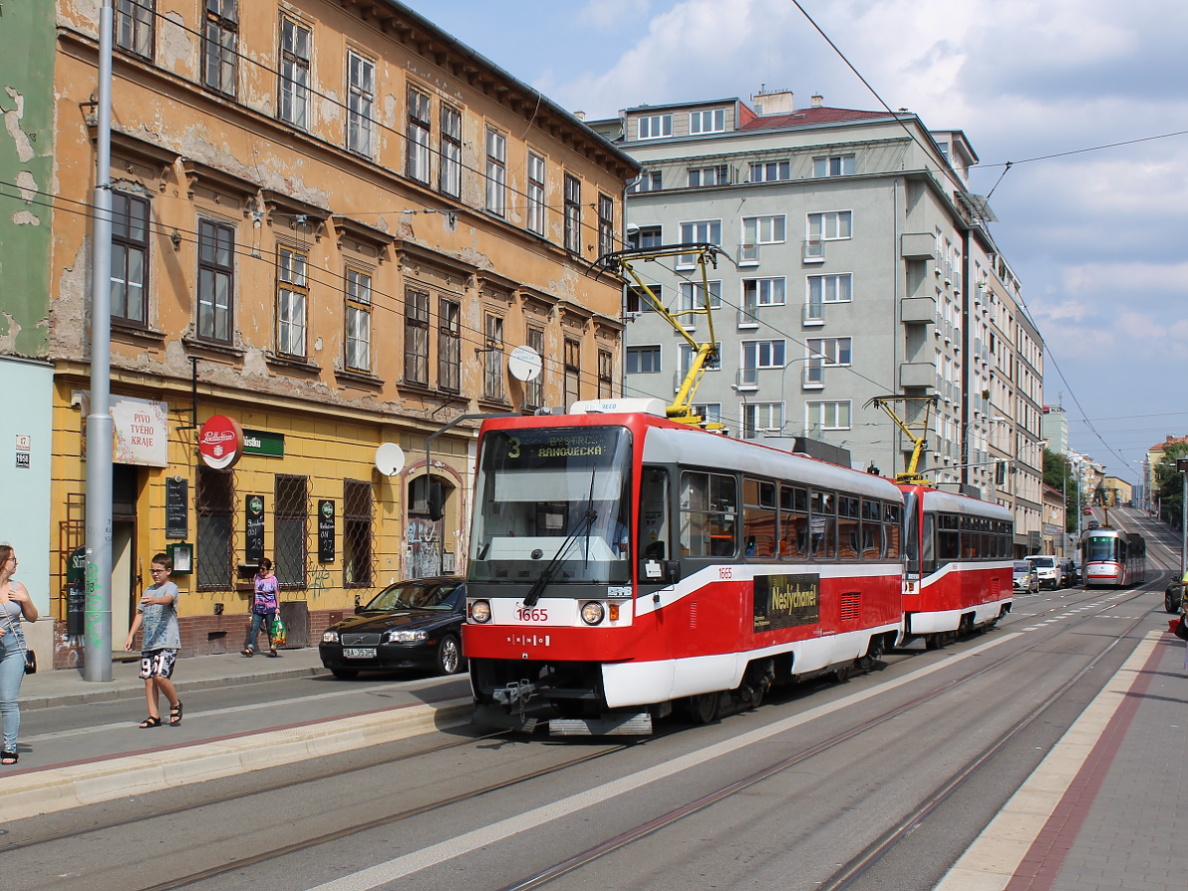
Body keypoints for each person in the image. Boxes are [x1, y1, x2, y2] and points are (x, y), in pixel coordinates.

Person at [124, 552, 183, 728]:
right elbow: (140, 613)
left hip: (167, 642)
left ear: (168, 571)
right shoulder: (148, 590)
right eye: (153, 570)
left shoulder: (171, 587)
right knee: (149, 679)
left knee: (160, 676)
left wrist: (157, 600)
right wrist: (130, 635)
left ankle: (175, 704)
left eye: (159, 570)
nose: (155, 574)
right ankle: (153, 716)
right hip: (149, 642)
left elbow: (168, 599)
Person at [0, 544, 38, 765]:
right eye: (13, 559)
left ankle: (9, 749)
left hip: (14, 649)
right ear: (4, 561)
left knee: (8, 700)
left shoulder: (17, 587)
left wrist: (26, 600)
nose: (17, 562)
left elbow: (32, 617)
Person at [242, 557, 280, 658]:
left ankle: (273, 649)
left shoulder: (273, 579)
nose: (260, 571)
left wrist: (278, 607)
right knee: (254, 627)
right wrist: (252, 604)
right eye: (259, 568)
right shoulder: (256, 577)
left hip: (270, 608)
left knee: (269, 628)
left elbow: (276, 593)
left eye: (263, 569)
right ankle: (250, 648)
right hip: (258, 607)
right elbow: (254, 592)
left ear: (268, 569)